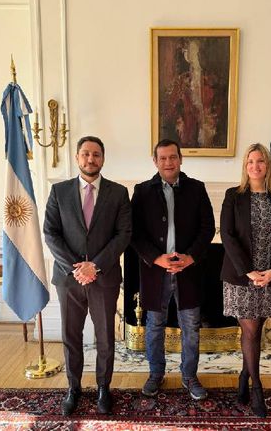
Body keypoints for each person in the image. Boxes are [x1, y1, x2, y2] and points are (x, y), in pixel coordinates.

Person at [43, 136, 132, 416]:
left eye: (95, 154)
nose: (90, 159)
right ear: (77, 157)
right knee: (71, 336)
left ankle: (104, 388)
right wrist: (77, 267)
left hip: (104, 279)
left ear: (103, 159)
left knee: (106, 337)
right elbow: (50, 233)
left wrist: (95, 266)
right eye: (85, 154)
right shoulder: (59, 191)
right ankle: (74, 388)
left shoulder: (118, 193)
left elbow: (124, 235)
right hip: (68, 280)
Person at [131, 139, 215, 400]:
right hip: (155, 272)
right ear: (155, 162)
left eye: (173, 157)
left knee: (190, 326)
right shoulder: (142, 191)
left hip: (188, 271)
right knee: (154, 325)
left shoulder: (197, 189)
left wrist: (191, 257)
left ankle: (189, 376)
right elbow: (134, 233)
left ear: (181, 159)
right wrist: (156, 258)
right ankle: (156, 373)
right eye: (163, 158)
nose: (168, 162)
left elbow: (207, 228)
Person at [220, 143, 271, 417]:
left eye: (260, 161)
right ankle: (257, 388)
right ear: (245, 166)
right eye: (250, 161)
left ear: (268, 166)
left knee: (256, 331)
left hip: (269, 278)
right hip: (242, 278)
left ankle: (243, 377)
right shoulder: (233, 196)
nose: (255, 166)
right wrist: (248, 271)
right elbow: (227, 236)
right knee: (250, 332)